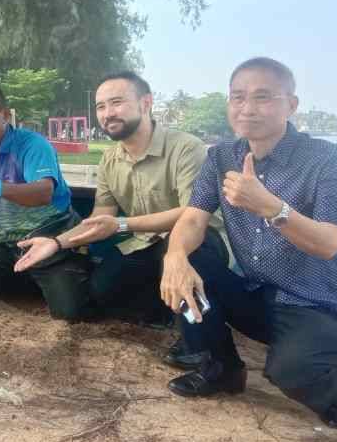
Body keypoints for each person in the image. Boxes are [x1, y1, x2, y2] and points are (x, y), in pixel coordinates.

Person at [160, 57, 337, 429]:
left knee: (291, 371)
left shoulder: (331, 161)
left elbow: (328, 243)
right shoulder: (221, 157)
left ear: (292, 104)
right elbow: (192, 218)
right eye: (237, 97)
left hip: (317, 306)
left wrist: (270, 206)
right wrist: (174, 257)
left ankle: (332, 387)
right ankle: (220, 367)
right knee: (190, 262)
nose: (247, 108)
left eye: (263, 97)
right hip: (256, 297)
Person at [14, 72, 229, 356]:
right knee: (102, 291)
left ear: (146, 103)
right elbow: (100, 217)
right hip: (144, 242)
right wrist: (56, 243)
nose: (107, 113)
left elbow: (193, 213)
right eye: (100, 107)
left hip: (198, 240)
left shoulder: (186, 147)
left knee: (183, 258)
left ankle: (202, 345)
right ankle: (162, 310)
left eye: (116, 103)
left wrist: (121, 224)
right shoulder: (110, 159)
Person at [0, 83, 93, 320]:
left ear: (4, 114)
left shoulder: (32, 144)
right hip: (8, 246)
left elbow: (44, 192)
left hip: (51, 240)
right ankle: (35, 279)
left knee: (69, 312)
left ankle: (59, 274)